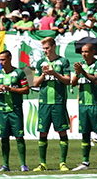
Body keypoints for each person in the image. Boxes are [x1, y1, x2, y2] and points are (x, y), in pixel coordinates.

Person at [33, 36, 71, 171]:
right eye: (43, 49)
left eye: (47, 48)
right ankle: (42, 163)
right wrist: (43, 75)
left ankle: (63, 163)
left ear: (54, 47)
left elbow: (68, 80)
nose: (45, 51)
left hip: (58, 102)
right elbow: (35, 83)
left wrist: (54, 73)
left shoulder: (63, 61)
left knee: (62, 131)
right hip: (44, 103)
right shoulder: (40, 63)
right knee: (43, 132)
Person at [70, 43, 97, 171]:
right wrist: (77, 73)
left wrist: (83, 72)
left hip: (95, 104)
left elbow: (96, 80)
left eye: (86, 51)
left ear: (93, 52)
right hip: (83, 105)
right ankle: (85, 162)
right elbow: (74, 83)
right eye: (82, 52)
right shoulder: (80, 65)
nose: (84, 54)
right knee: (85, 134)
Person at [0, 50, 30, 172]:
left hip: (15, 110)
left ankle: (23, 164)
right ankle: (5, 165)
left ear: (10, 59)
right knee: (4, 138)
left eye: (3, 60)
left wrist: (10, 89)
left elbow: (26, 90)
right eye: (0, 60)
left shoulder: (19, 73)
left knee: (19, 137)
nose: (1, 62)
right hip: (2, 111)